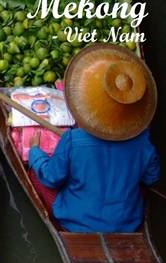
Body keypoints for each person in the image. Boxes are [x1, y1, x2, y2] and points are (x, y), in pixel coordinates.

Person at [29, 43, 160, 233]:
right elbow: (151, 178)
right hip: (127, 222)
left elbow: (51, 178)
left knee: (36, 172)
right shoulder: (144, 143)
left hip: (75, 221)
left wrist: (35, 152)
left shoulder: (73, 140)